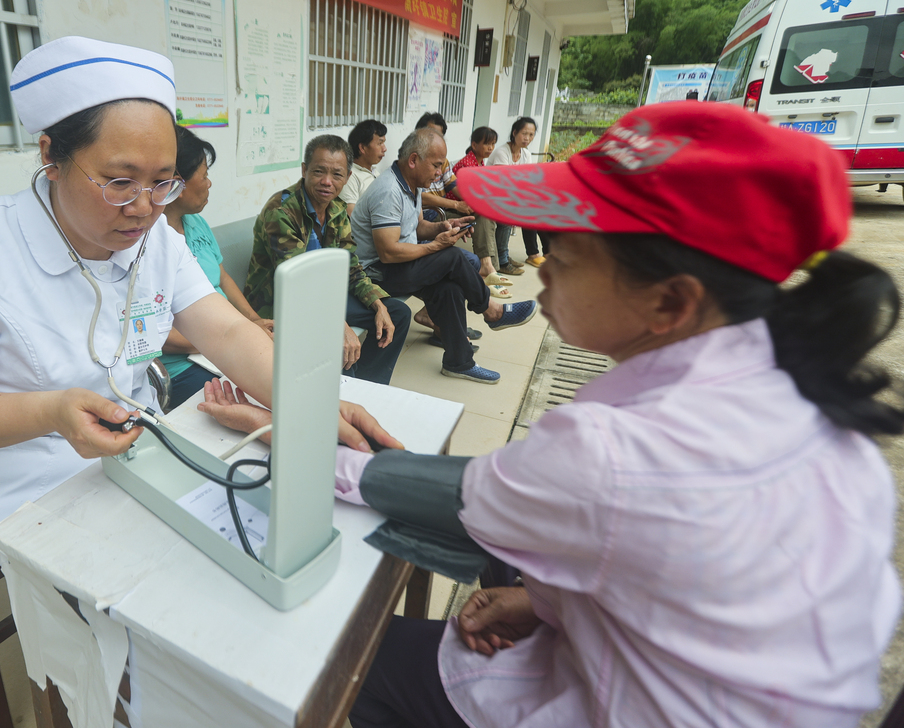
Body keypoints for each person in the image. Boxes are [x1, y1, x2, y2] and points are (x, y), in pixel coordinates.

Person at [331, 102, 903, 727]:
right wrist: (547, 603)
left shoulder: (623, 450)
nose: (545, 265)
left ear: (670, 300)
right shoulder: (810, 410)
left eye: (569, 249)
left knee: (347, 660)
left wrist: (305, 449)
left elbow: (467, 497)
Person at [0, 37, 399, 556]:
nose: (143, 208)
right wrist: (51, 412)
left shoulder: (157, 237)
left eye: (163, 183)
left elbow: (223, 330)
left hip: (137, 452)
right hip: (27, 487)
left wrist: (312, 406)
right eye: (119, 181)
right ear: (51, 157)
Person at [349, 127, 538, 385]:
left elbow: (416, 228)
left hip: (397, 265)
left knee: (448, 287)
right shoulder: (388, 191)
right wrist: (435, 246)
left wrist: (443, 227)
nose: (440, 173)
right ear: (414, 160)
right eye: (436, 165)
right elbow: (389, 252)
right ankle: (492, 311)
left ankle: (459, 362)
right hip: (375, 274)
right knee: (452, 258)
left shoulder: (411, 184)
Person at [244, 134, 411, 385]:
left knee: (396, 314)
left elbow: (350, 267)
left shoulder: (337, 209)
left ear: (348, 177)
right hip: (283, 304)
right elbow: (298, 284)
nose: (327, 182)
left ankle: (369, 388)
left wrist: (378, 304)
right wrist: (338, 326)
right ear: (304, 170)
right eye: (319, 171)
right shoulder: (281, 211)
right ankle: (345, 397)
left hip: (324, 296)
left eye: (336, 174)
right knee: (336, 345)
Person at [159, 124, 274, 410]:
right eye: (205, 175)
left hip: (218, 343)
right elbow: (153, 333)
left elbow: (222, 277)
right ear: (177, 183)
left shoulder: (195, 223)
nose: (209, 184)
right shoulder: (149, 242)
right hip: (184, 363)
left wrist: (253, 320)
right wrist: (216, 341)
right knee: (242, 405)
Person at [450, 126, 514, 289]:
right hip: (456, 208)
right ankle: (492, 268)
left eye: (493, 144)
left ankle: (493, 267)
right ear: (474, 145)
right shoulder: (466, 165)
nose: (491, 148)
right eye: (487, 144)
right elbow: (468, 195)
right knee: (487, 214)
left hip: (468, 205)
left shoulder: (479, 162)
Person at [485, 117, 544, 271]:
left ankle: (539, 253)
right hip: (491, 195)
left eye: (531, 135)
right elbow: (503, 184)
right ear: (514, 132)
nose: (527, 138)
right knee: (508, 214)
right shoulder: (501, 152)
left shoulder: (526, 154)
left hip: (511, 195)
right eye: (524, 133)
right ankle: (502, 259)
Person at [343, 119, 388, 216]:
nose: (384, 149)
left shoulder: (375, 172)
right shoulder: (350, 177)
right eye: (380, 143)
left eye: (384, 143)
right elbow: (353, 217)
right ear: (362, 148)